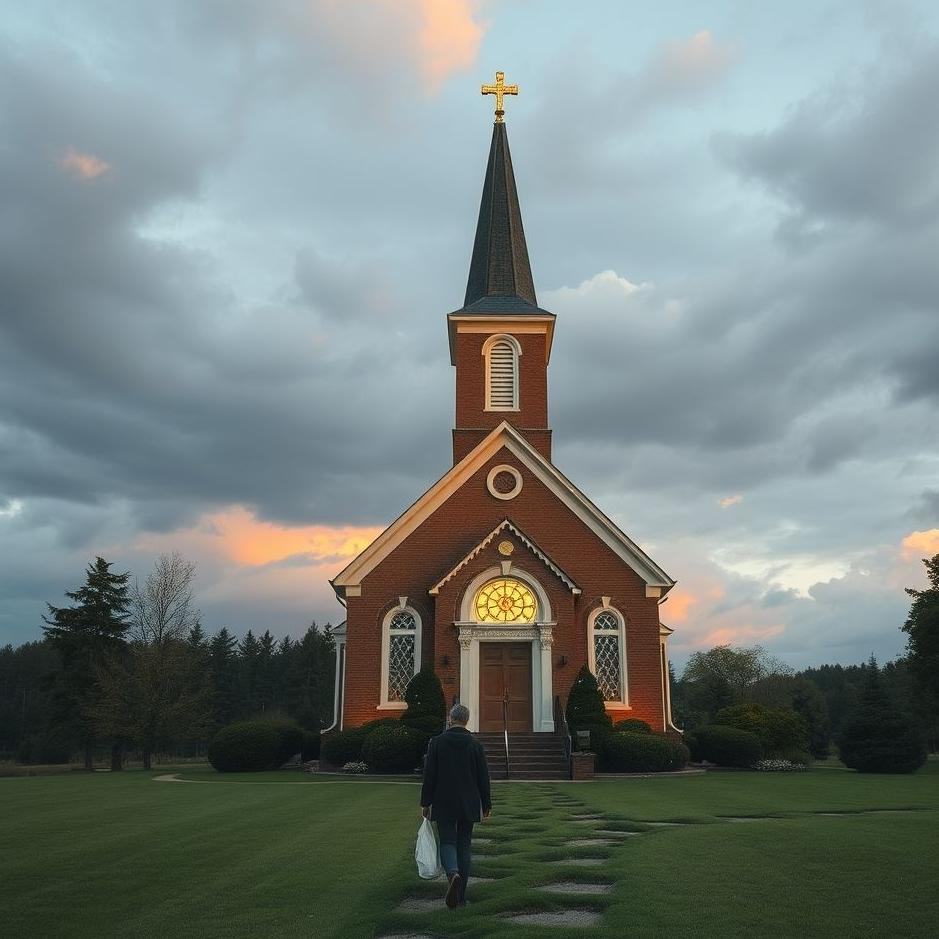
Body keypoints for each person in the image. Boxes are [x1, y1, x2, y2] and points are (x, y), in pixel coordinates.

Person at [420, 703, 492, 909]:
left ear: (450, 719)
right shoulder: (475, 745)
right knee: (464, 845)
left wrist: (425, 803)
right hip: (469, 802)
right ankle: (460, 897)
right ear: (467, 720)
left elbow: (430, 776)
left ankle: (452, 873)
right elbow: (483, 778)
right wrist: (486, 804)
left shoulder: (437, 743)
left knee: (447, 842)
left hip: (444, 801)